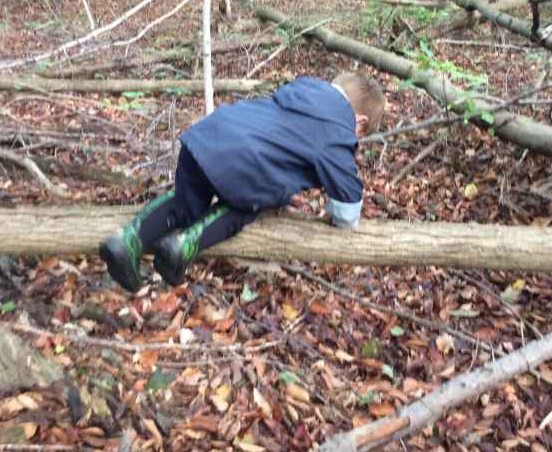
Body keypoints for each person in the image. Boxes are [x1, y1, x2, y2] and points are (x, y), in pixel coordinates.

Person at [100, 73, 385, 291]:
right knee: (250, 207)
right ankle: (181, 247)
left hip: (208, 135)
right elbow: (347, 209)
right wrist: (338, 216)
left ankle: (126, 241)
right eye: (359, 134)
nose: (354, 141)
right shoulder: (338, 130)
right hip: (244, 161)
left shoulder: (306, 87)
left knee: (185, 204)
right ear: (358, 121)